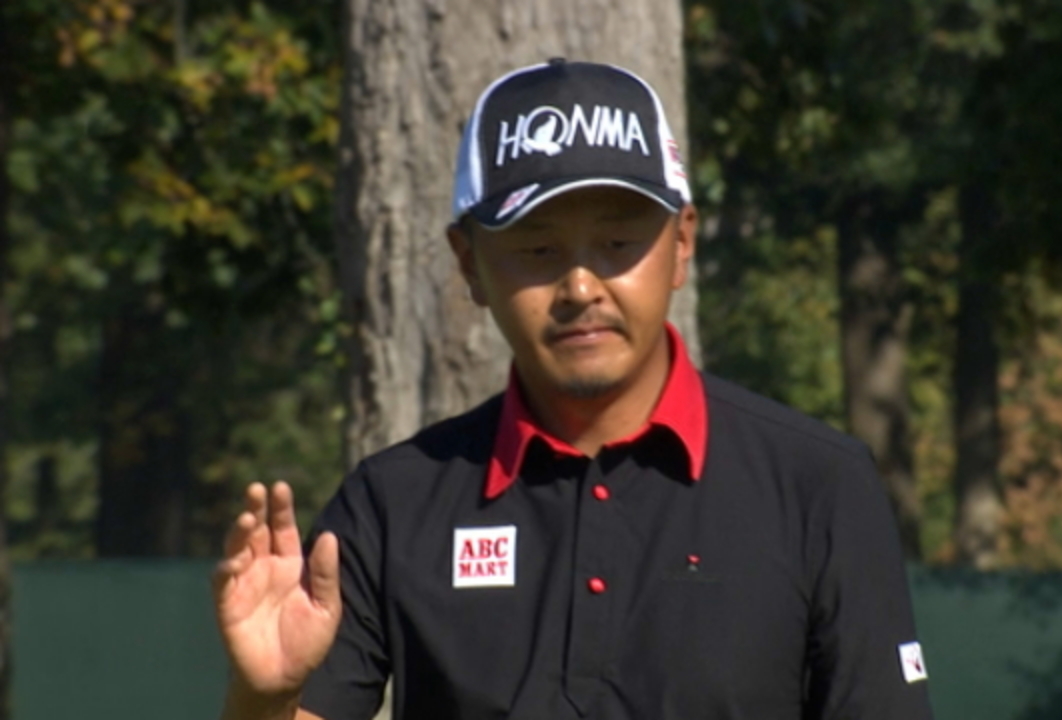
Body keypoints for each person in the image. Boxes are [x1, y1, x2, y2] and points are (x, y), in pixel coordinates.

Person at [213, 59, 935, 720]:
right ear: (469, 264)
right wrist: (264, 698)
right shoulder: (389, 503)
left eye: (619, 244)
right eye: (537, 249)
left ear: (682, 243)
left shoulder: (818, 484)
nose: (581, 286)